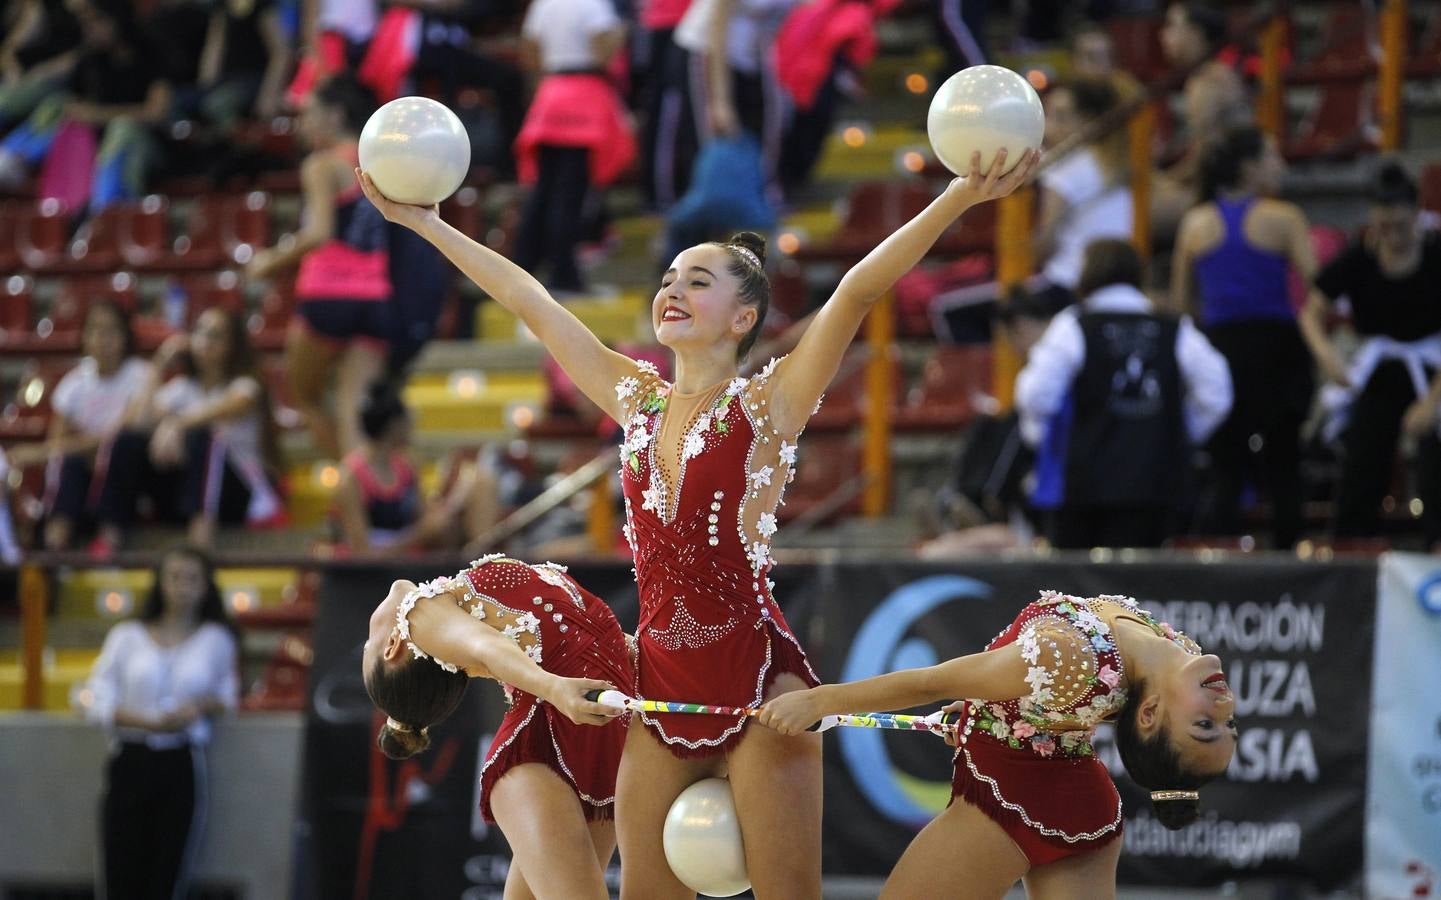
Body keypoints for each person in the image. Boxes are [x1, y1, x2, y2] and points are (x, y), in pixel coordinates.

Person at [359, 141, 1040, 898]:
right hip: (657, 696)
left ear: (743, 316)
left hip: (758, 685)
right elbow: (532, 304)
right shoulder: (636, 400)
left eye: (698, 280)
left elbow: (853, 293)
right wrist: (426, 224)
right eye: (666, 279)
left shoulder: (767, 405)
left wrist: (956, 198)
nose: (672, 290)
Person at [757, 590, 1238, 898]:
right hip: (1080, 809)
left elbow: (931, 682)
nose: (1223, 705)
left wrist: (820, 701)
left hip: (1014, 803)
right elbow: (1079, 705)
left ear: (1152, 714)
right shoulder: (1179, 654)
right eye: (1227, 724)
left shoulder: (1069, 656)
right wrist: (991, 713)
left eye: (1204, 726)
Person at [363, 555, 631, 900]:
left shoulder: (454, 620)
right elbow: (487, 646)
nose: (368, 638)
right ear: (391, 647)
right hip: (538, 754)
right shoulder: (419, 616)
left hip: (595, 746)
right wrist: (552, 687)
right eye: (367, 646)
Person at [1016, 238, 1232, 549]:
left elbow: (1036, 394)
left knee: (1081, 593)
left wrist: (1045, 439)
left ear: (1087, 275)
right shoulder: (1172, 327)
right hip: (1157, 479)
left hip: (1085, 484)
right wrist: (1180, 435)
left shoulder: (1074, 326)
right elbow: (1217, 394)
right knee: (1143, 591)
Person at [1171, 125, 1316, 549]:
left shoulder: (1195, 223)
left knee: (1226, 466)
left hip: (1221, 350)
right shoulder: (1284, 217)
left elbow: (1183, 303)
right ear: (1249, 167)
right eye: (1272, 155)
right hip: (1278, 350)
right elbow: (1316, 289)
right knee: (1284, 462)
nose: (1280, 164)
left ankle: (1219, 571)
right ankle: (1292, 564)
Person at [76, 545, 240, 900]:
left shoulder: (217, 639)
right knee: (119, 867)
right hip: (131, 756)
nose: (183, 587)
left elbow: (228, 695)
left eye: (193, 579)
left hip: (180, 760)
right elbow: (94, 697)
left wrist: (197, 708)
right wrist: (147, 722)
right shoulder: (127, 635)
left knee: (168, 870)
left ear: (206, 587)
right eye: (175, 577)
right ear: (160, 583)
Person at [247, 74, 388, 459]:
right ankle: (367, 500)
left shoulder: (321, 164)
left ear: (335, 114)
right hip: (376, 295)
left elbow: (320, 233)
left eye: (308, 114)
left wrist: (268, 261)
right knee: (352, 408)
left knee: (304, 396)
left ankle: (345, 497)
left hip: (327, 294)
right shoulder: (375, 159)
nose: (301, 124)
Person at [1302, 162, 1441, 550]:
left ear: (1417, 214)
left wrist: (1431, 402)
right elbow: (1310, 312)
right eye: (1383, 228)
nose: (1392, 237)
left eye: (1400, 226)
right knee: (1363, 455)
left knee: (1434, 457)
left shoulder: (1435, 256)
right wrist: (1327, 355)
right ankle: (1351, 548)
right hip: (1380, 368)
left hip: (1433, 368)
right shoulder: (1358, 259)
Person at [105, 308, 284, 551]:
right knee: (128, 441)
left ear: (233, 345)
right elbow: (139, 422)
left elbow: (226, 409)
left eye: (216, 335)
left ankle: (200, 539)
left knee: (204, 438)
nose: (205, 342)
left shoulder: (245, 386)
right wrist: (159, 364)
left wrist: (176, 424)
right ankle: (111, 535)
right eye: (200, 332)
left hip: (236, 496)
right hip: (185, 494)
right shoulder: (182, 388)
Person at [916, 289, 1054, 557]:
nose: (1012, 346)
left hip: (1048, 458)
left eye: (1011, 336)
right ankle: (964, 498)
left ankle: (986, 507)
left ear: (1022, 326)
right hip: (1039, 445)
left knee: (1013, 429)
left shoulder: (1058, 348)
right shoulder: (1041, 362)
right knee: (987, 424)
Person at [0, 0, 173, 211]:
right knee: (58, 104)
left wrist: (96, 115)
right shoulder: (90, 58)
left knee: (123, 128)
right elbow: (54, 85)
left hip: (144, 143)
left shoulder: (150, 53)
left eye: (97, 21)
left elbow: (156, 113)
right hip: (97, 140)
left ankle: (102, 211)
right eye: (87, 23)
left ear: (117, 19)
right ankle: (13, 157)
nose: (90, 29)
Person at [7, 300, 151, 552]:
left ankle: (109, 537)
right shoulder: (73, 384)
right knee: (67, 463)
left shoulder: (142, 376)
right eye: (95, 330)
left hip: (132, 473)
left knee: (123, 448)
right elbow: (57, 445)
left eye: (111, 330)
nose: (102, 338)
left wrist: (42, 451)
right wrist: (79, 449)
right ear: (84, 336)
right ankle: (57, 537)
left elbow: (121, 433)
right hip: (85, 469)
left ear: (125, 336)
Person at [512, 0, 633, 294]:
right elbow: (602, 50)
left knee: (543, 190)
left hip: (551, 93)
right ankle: (563, 273)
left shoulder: (544, 4)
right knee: (570, 195)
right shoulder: (593, 4)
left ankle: (522, 266)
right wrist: (621, 34)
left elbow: (529, 48)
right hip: (584, 96)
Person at [332, 379, 500, 556]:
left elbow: (423, 516)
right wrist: (419, 534)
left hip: (410, 555)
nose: (411, 427)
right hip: (376, 566)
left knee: (480, 482)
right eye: (407, 421)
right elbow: (362, 553)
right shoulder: (350, 478)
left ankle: (482, 560)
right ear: (394, 425)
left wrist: (451, 504)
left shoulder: (405, 465)